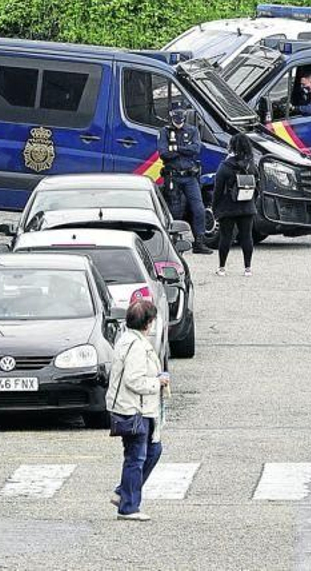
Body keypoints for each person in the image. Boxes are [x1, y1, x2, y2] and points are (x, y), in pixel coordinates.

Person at [108, 299, 168, 522]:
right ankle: (129, 506)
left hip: (141, 408)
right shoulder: (135, 346)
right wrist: (157, 382)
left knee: (154, 449)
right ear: (148, 323)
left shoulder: (129, 340)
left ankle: (123, 493)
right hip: (135, 409)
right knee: (136, 456)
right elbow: (134, 380)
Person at [162, 102, 212, 255]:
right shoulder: (164, 131)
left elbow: (196, 149)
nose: (179, 117)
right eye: (176, 114)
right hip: (173, 176)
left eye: (181, 114)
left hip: (190, 177)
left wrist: (176, 148)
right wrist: (185, 150)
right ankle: (174, 242)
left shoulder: (192, 130)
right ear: (171, 115)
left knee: (199, 209)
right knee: (175, 210)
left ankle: (199, 242)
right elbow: (164, 153)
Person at [210, 133, 259, 276]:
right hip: (247, 206)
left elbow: (218, 189)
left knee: (226, 237)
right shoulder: (251, 166)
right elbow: (258, 186)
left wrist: (215, 208)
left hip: (228, 207)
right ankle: (247, 268)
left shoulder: (225, 166)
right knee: (246, 236)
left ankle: (222, 268)